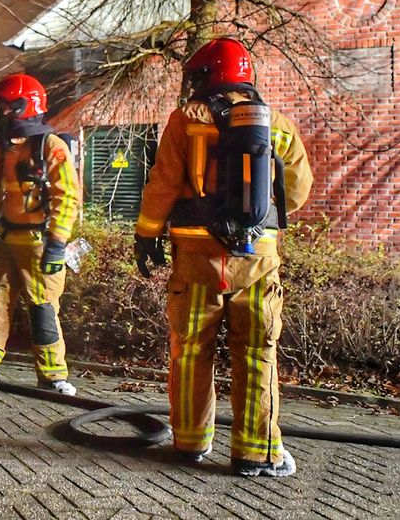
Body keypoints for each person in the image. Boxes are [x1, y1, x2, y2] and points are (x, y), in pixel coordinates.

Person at [133, 37, 313, 477]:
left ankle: (191, 443)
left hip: (197, 261)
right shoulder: (279, 125)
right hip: (257, 260)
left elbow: (163, 184)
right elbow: (299, 190)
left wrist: (146, 234)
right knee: (257, 352)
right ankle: (257, 453)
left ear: (207, 75)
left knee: (192, 349)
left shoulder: (185, 120)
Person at [0, 74, 82, 396]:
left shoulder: (52, 146)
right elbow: (2, 196)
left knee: (43, 309)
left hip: (40, 244)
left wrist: (57, 244)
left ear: (25, 106)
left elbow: (68, 199)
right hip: (7, 242)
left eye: (7, 105)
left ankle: (52, 377)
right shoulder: (6, 147)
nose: (2, 112)